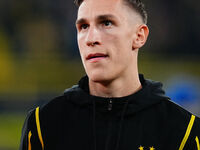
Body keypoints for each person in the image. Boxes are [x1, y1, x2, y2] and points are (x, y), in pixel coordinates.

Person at [19, 0, 200, 149]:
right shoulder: (43, 125)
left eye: (106, 23)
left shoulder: (184, 131)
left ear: (139, 36)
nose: (91, 38)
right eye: (83, 26)